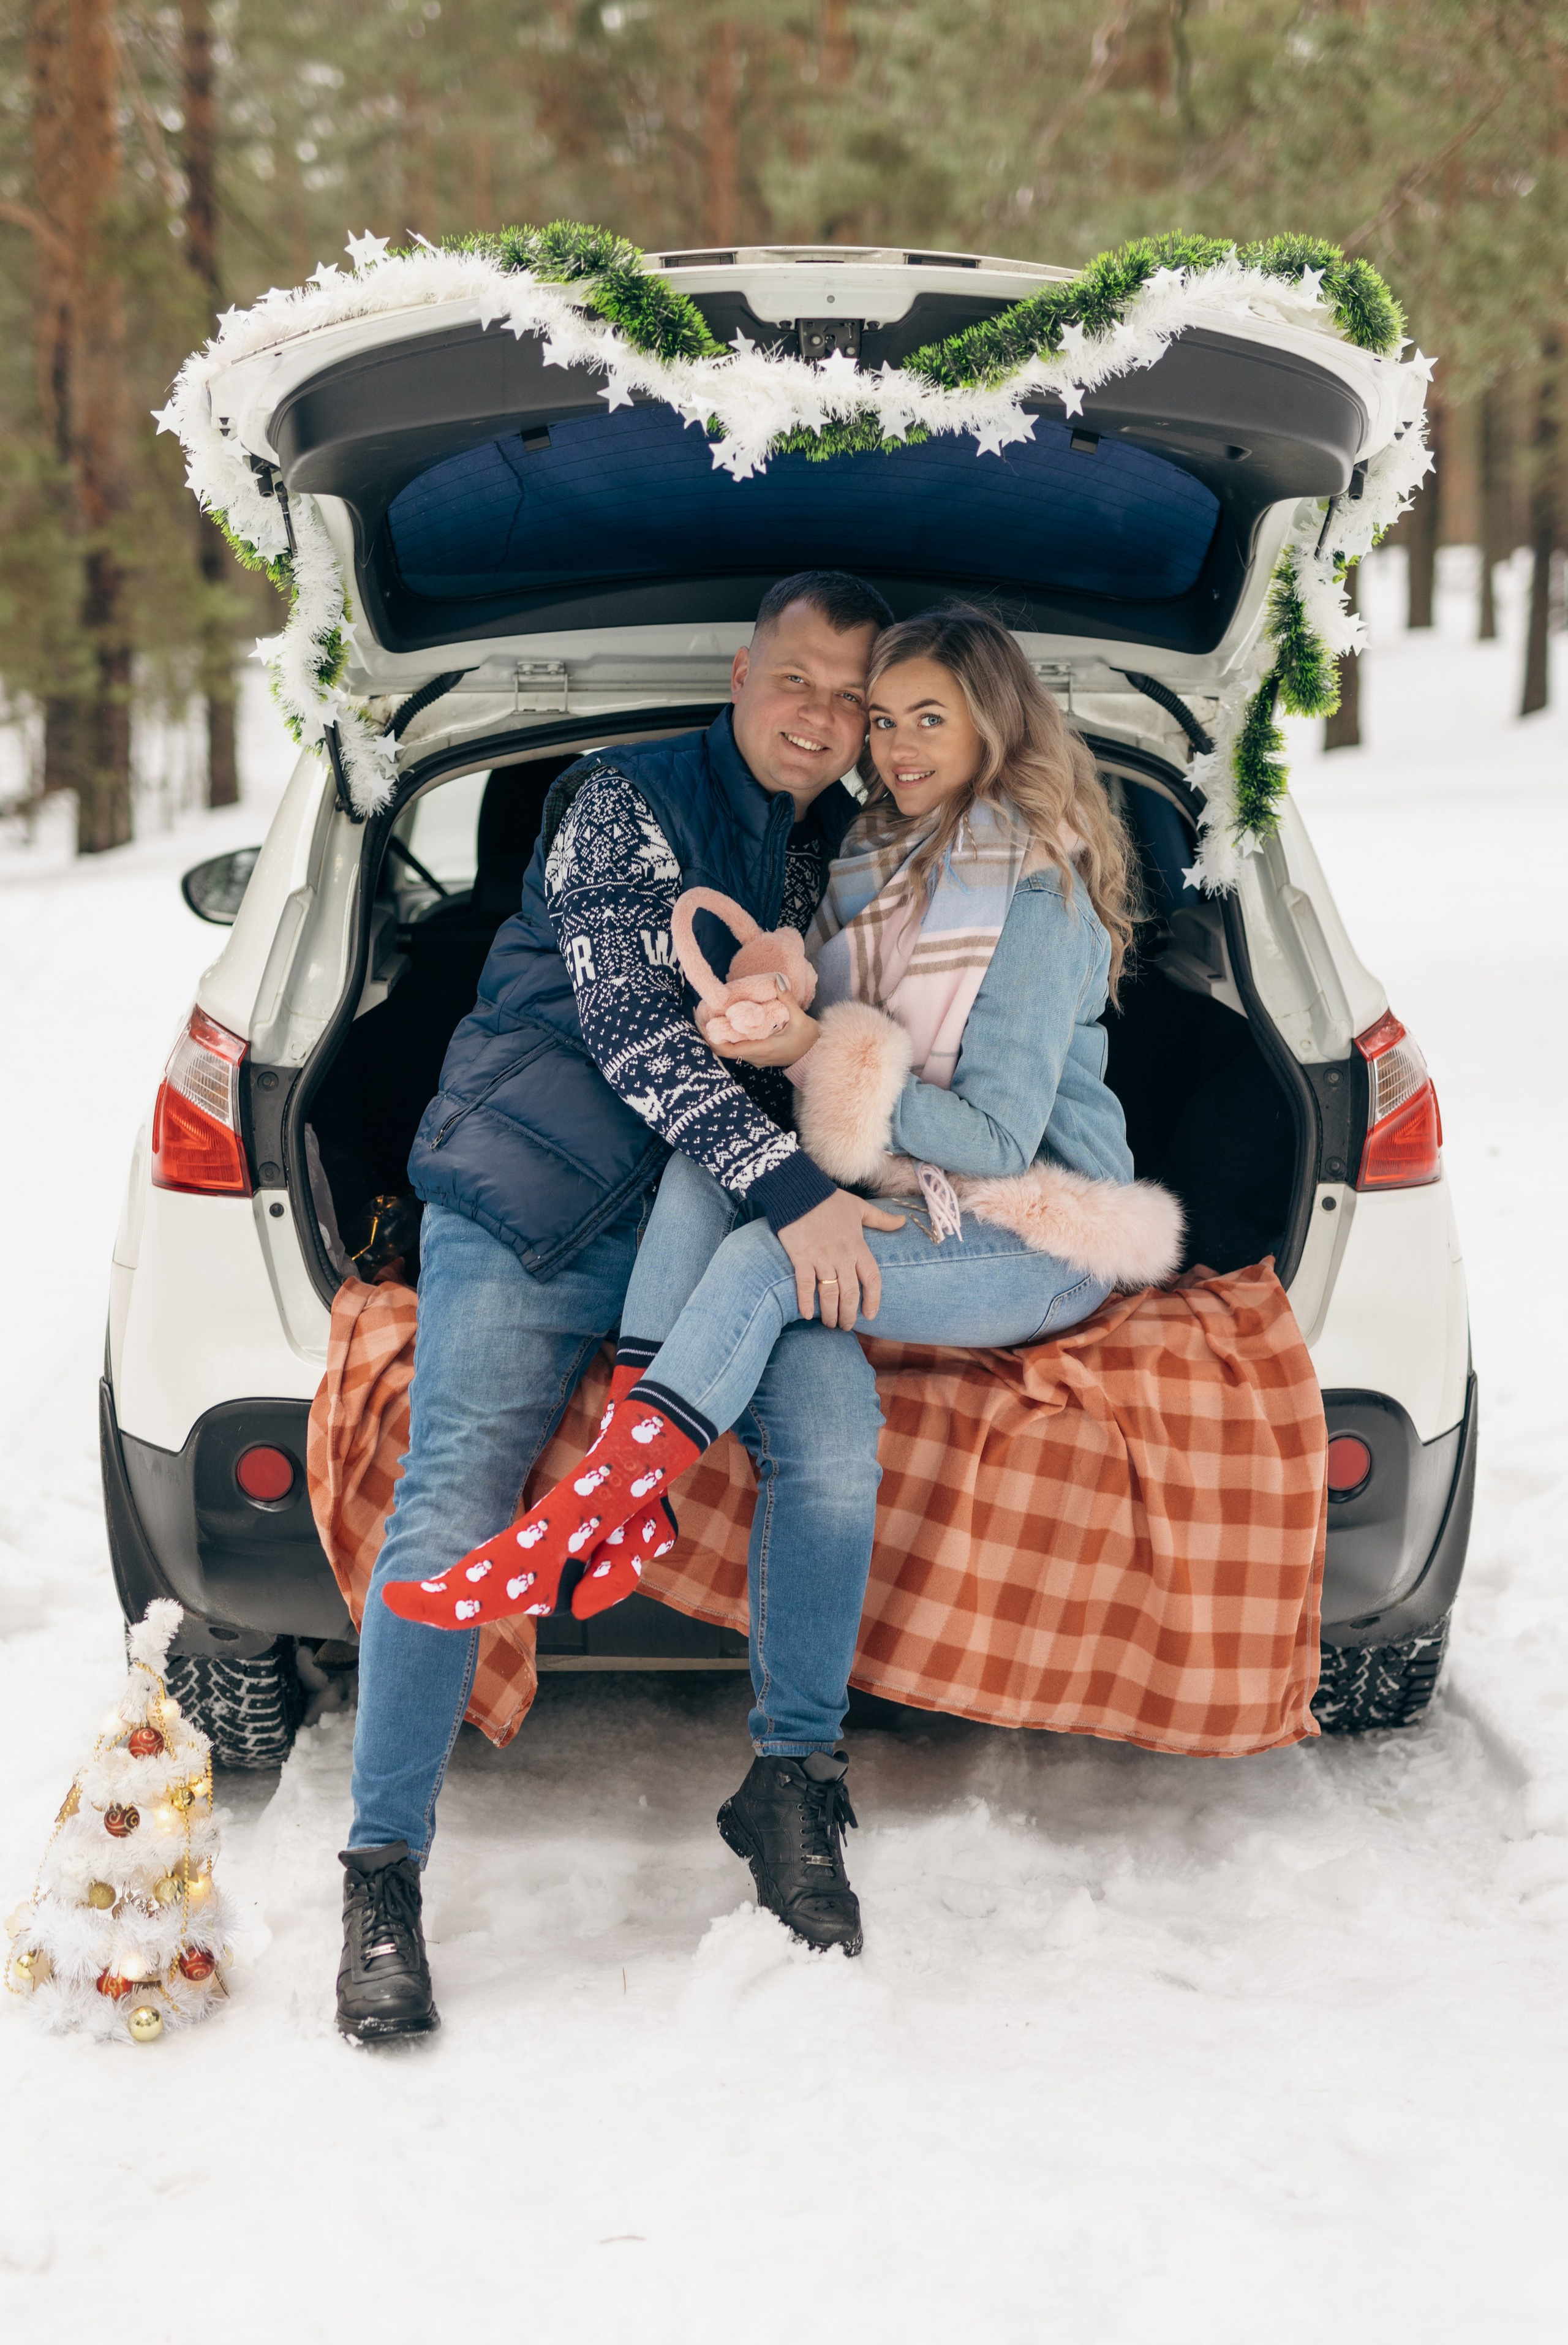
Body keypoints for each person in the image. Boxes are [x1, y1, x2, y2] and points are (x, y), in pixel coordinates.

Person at [382, 608, 1183, 1963]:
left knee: (773, 1260)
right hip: (826, 1198)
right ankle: (676, 1734)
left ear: (998, 724)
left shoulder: (1031, 892)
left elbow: (989, 1140)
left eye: (921, 715)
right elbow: (697, 1057)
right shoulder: (858, 856)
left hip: (1026, 1219)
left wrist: (821, 1044)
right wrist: (776, 1005)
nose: (883, 739)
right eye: (884, 717)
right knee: (746, 1202)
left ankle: (651, 1541)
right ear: (745, 678)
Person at [338, 570, 910, 2042]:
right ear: (741, 672)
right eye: (800, 680)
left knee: (836, 1445)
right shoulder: (617, 796)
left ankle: (790, 1783)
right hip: (533, 1194)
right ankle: (382, 1871)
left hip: (712, 1233)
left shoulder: (823, 856)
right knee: (454, 1483)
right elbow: (638, 1036)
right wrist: (801, 1198)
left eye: (851, 698)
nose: (823, 716)